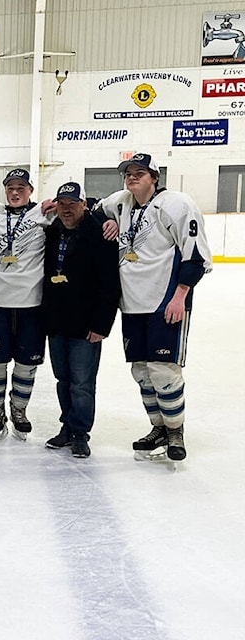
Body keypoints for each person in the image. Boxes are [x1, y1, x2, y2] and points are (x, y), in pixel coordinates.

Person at [97, 153, 211, 461]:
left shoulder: (176, 204)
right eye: (128, 173)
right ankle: (157, 427)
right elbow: (93, 210)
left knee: (164, 371)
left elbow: (196, 257)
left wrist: (180, 297)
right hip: (132, 304)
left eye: (140, 172)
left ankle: (175, 431)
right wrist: (106, 220)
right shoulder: (120, 202)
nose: (132, 177)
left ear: (155, 177)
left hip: (165, 303)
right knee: (142, 372)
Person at [42, 182, 121, 458]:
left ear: (84, 205)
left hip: (86, 326)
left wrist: (101, 325)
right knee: (62, 379)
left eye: (72, 203)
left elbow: (110, 285)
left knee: (82, 383)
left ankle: (80, 433)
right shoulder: (52, 233)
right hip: (57, 323)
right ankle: (67, 426)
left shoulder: (99, 234)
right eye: (61, 203)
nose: (66, 209)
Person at [0, 169, 51, 440]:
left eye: (21, 187)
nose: (15, 192)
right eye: (10, 188)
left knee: (25, 363)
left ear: (31, 189)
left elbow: (79, 215)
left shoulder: (45, 213)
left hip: (32, 303)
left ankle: (19, 409)